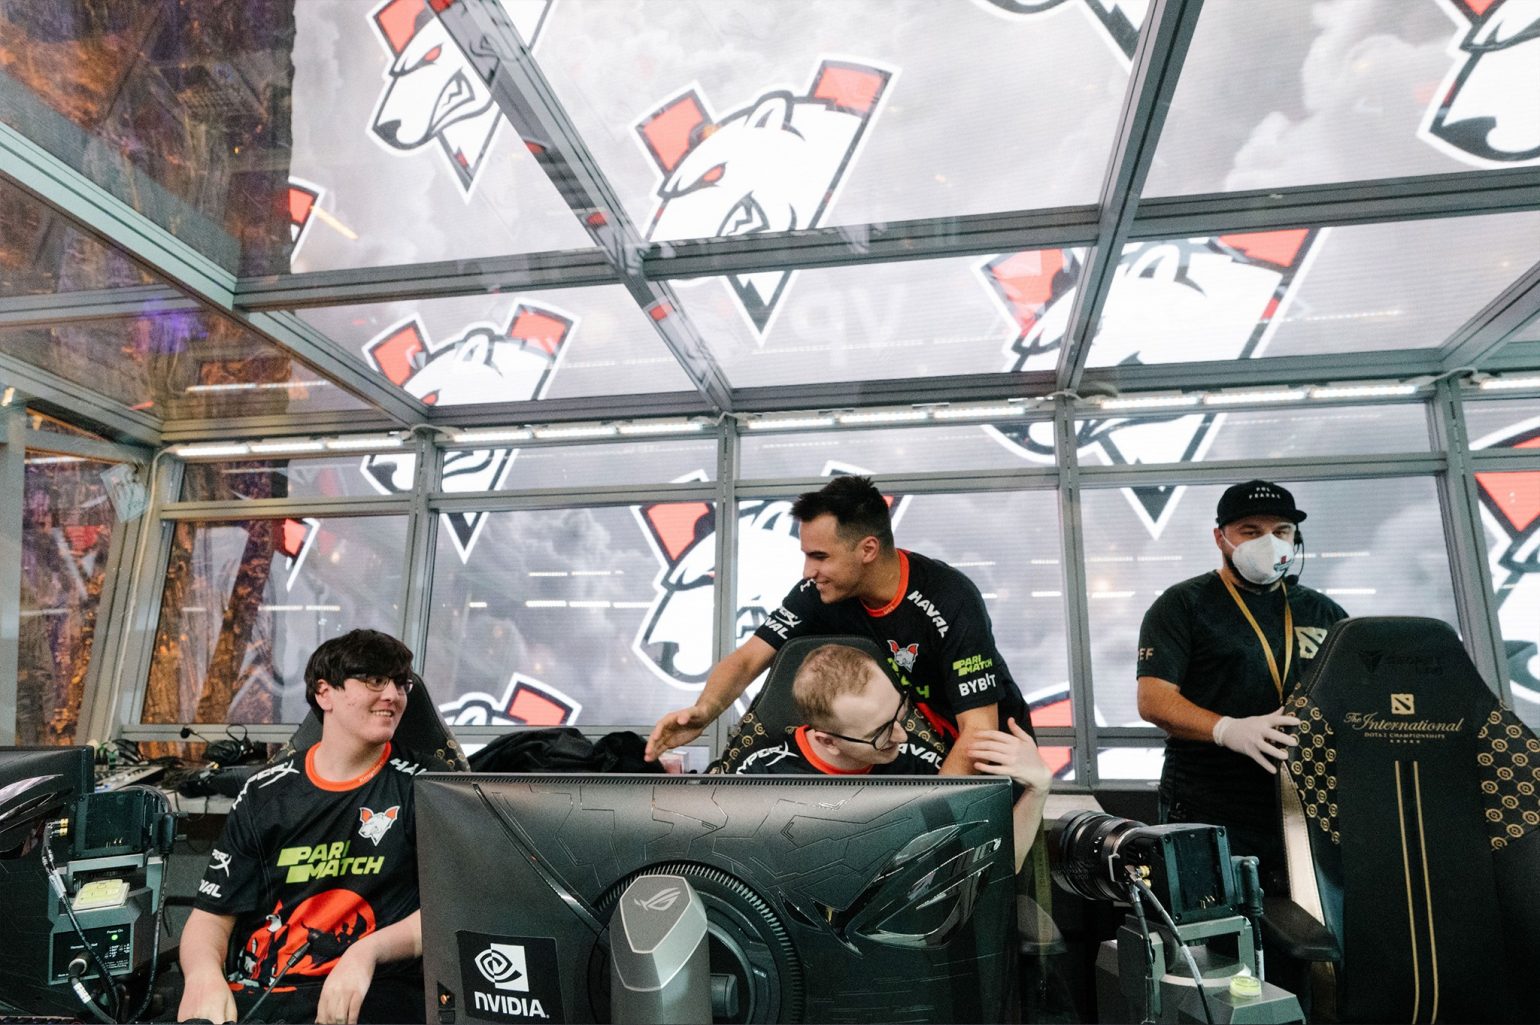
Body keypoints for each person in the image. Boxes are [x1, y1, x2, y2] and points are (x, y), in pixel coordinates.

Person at [648, 475, 1030, 775]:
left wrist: (938, 820)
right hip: (898, 742)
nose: (808, 571)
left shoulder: (950, 598)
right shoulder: (817, 593)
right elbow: (748, 659)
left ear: (867, 550)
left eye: (820, 556)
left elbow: (980, 733)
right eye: (806, 555)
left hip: (993, 758)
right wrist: (704, 710)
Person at [178, 629, 431, 1025]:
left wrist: (365, 953)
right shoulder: (263, 794)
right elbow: (210, 917)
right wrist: (202, 976)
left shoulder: (425, 787)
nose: (393, 695)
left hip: (369, 989)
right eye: (375, 680)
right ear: (324, 692)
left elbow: (449, 914)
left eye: (401, 683)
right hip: (262, 989)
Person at [1136, 480, 1347, 889]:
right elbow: (1154, 699)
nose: (1270, 542)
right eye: (1251, 531)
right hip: (1209, 802)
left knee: (1308, 920)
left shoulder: (1324, 612)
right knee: (1213, 918)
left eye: (1282, 531)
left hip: (1305, 802)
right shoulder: (1183, 605)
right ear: (1221, 538)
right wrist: (1227, 729)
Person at [736, 643, 1050, 871]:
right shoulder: (759, 777)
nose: (902, 736)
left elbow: (996, 868)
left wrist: (1037, 790)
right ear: (827, 742)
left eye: (900, 713)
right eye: (881, 732)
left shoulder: (922, 767)